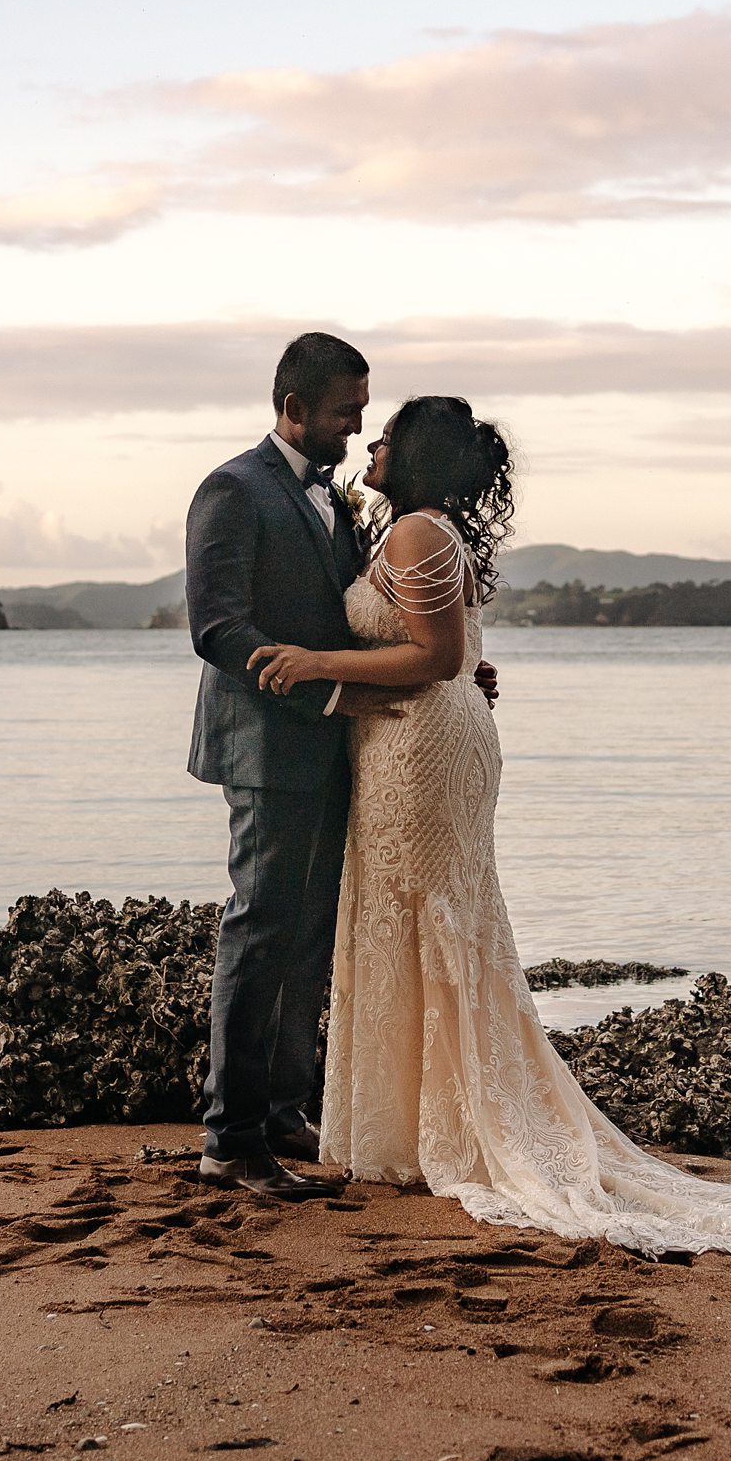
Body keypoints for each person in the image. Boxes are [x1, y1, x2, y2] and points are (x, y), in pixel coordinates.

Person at [247, 396, 731, 1265]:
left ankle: (451, 1128)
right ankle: (419, 1125)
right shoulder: (420, 529)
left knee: (427, 922)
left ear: (414, 455)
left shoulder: (417, 532)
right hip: (414, 741)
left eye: (387, 433)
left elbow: (439, 657)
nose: (371, 442)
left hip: (419, 751)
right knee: (421, 921)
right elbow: (450, 649)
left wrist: (316, 662)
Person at [183, 334, 494, 1200]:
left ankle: (284, 1112)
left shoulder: (338, 501)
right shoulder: (233, 490)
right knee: (260, 931)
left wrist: (458, 667)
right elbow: (217, 628)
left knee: (312, 936)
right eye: (344, 414)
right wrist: (321, 693)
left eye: (365, 415)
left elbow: (371, 621)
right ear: (292, 408)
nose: (357, 432)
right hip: (270, 744)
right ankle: (230, 1140)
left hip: (349, 750)